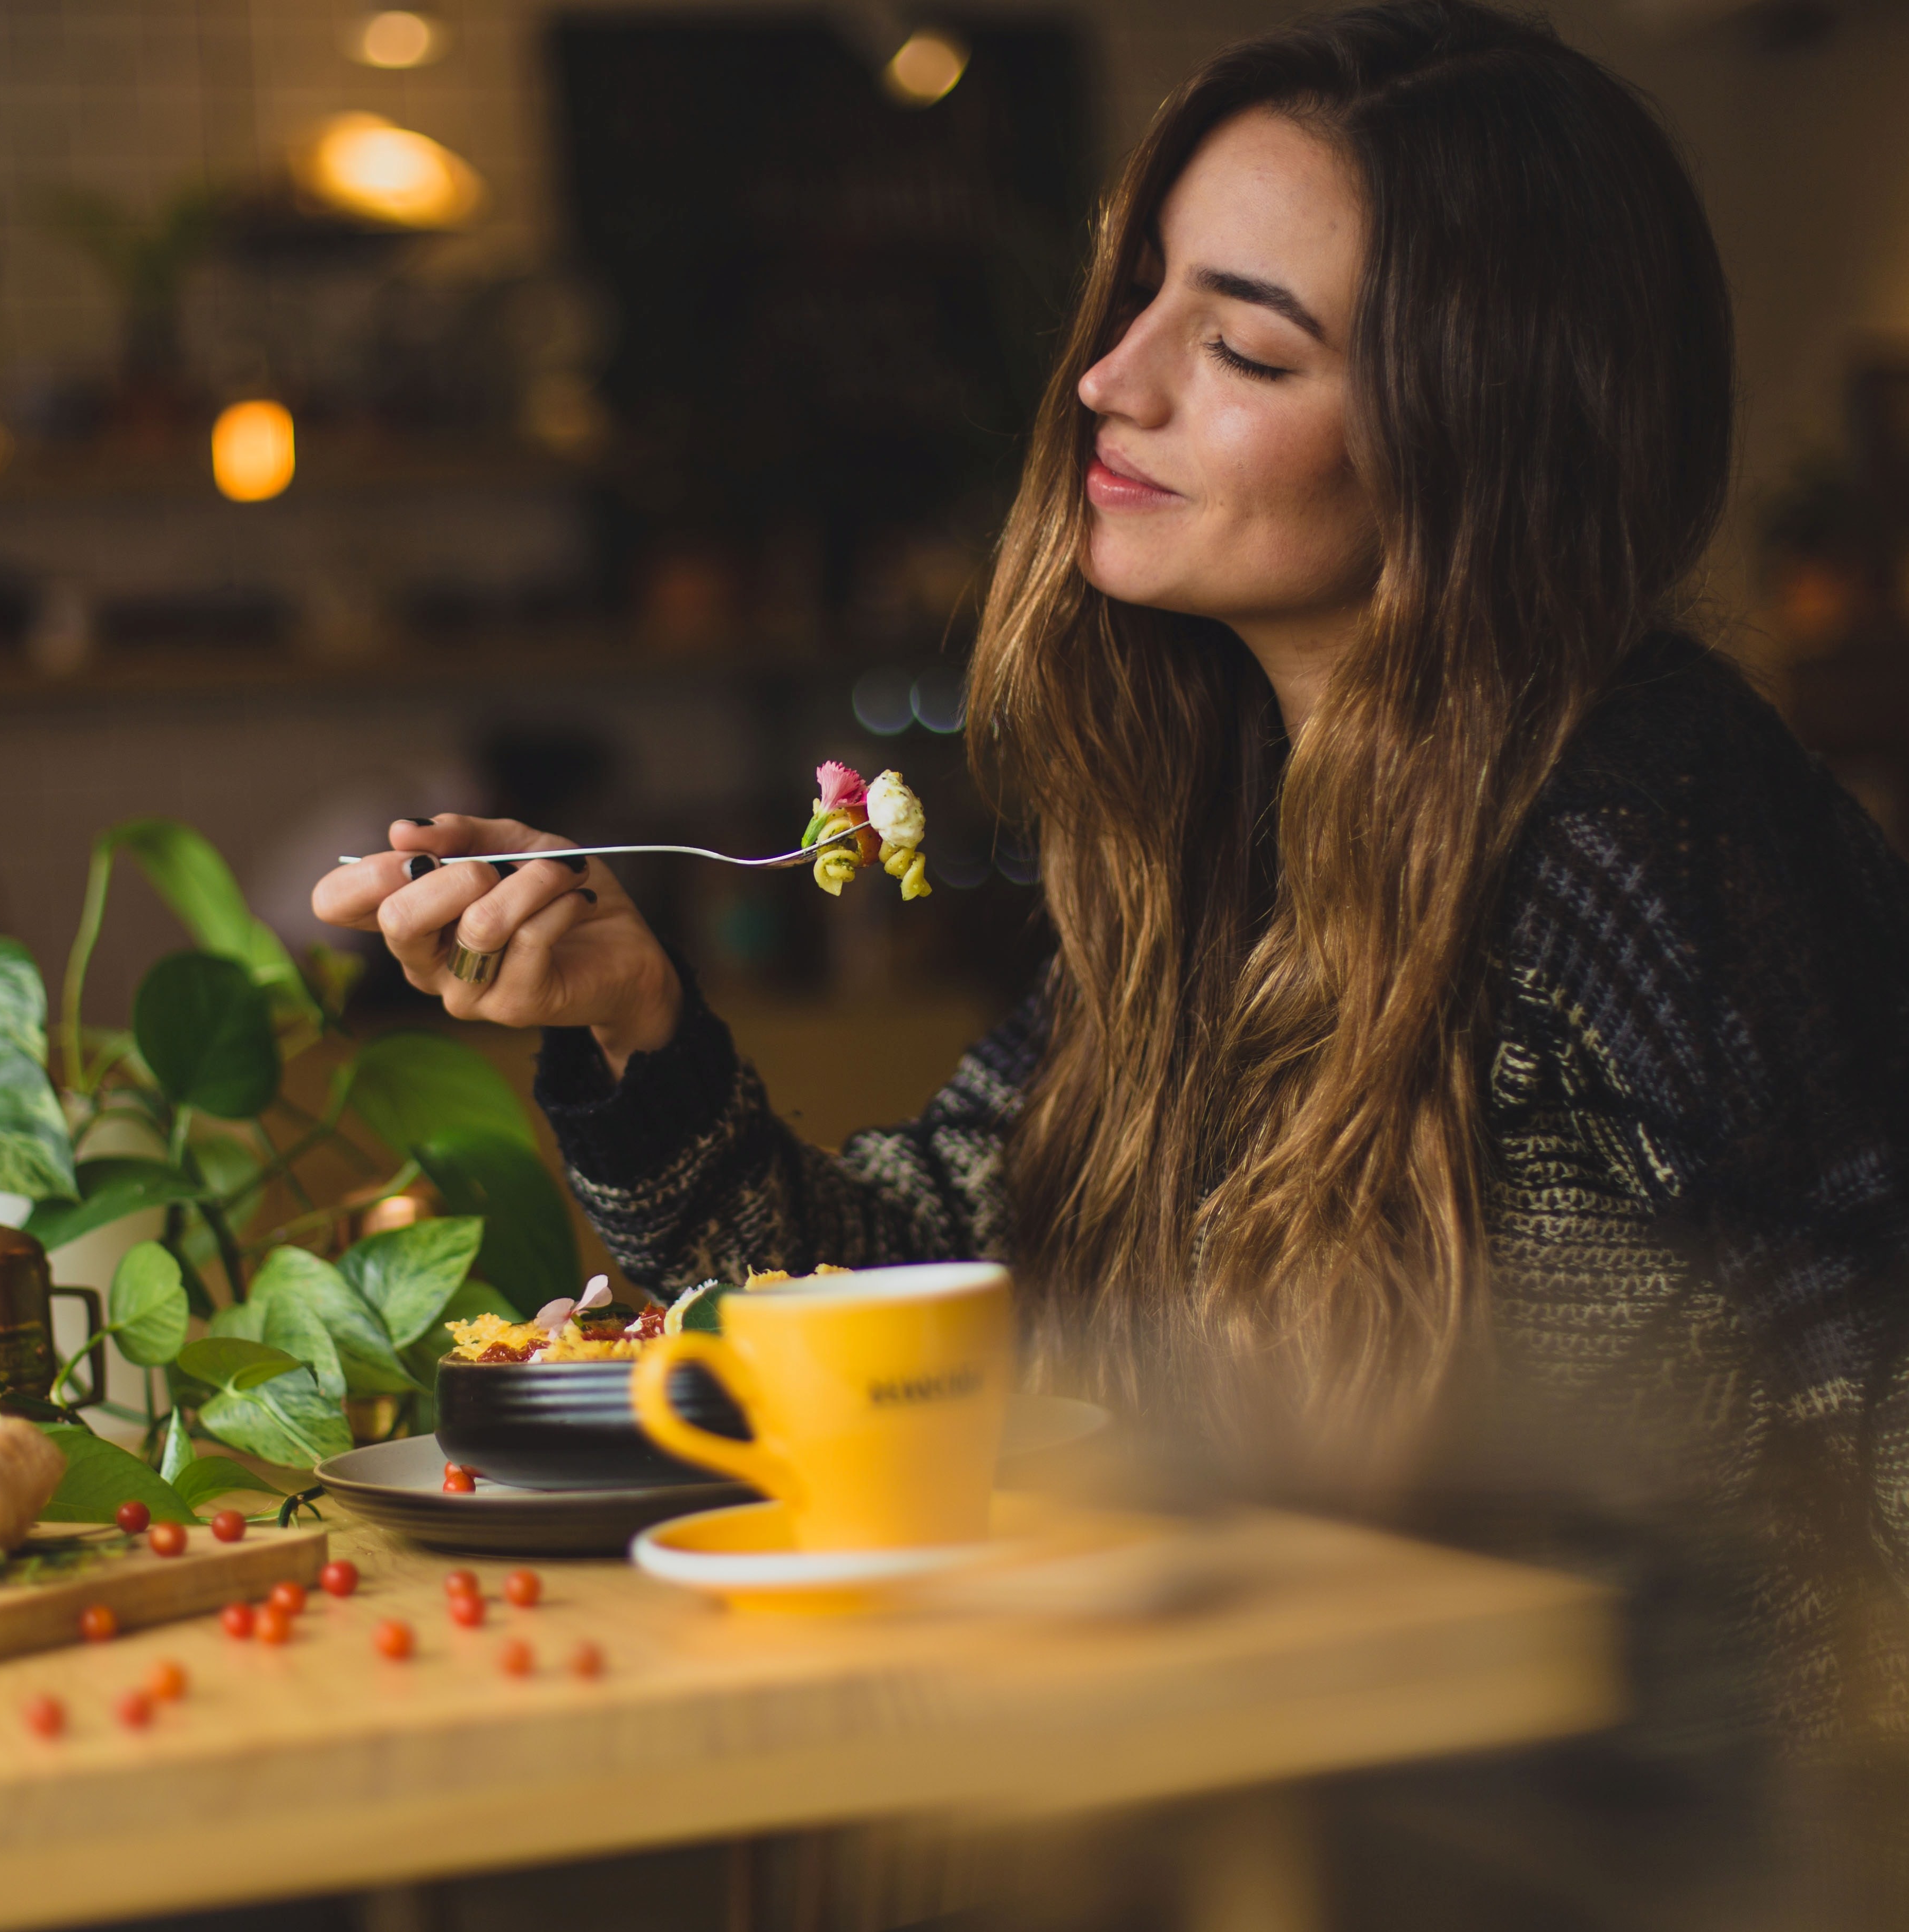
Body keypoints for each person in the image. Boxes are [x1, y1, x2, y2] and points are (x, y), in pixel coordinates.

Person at [316, 0, 1909, 1782]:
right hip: (1278, 1804)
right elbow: (902, 1317)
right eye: (1142, 290)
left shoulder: (1640, 822)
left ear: (1481, 436)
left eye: (1240, 347)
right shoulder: (1235, 847)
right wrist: (637, 1023)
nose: (1107, 377)